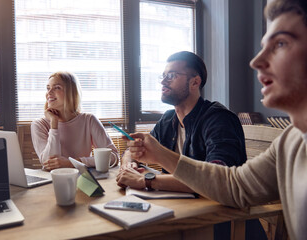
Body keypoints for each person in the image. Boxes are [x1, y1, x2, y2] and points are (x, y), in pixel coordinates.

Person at [124, 0, 307, 239]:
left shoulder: (218, 119)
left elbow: (222, 175)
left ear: (195, 82)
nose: (255, 62)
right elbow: (234, 185)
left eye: (280, 43)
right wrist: (138, 160)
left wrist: (149, 177)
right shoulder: (291, 142)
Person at [117, 51, 266, 239]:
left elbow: (217, 178)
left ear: (195, 82)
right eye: (163, 76)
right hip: (181, 215)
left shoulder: (219, 119)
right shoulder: (167, 119)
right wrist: (129, 165)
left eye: (171, 76)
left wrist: (146, 180)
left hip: (222, 224)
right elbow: (134, 149)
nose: (163, 82)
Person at [31, 71, 119, 171]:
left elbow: (113, 157)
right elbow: (49, 163)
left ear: (71, 93)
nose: (49, 93)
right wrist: (54, 124)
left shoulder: (89, 120)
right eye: (48, 88)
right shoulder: (39, 124)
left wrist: (72, 163)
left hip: (84, 180)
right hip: (52, 181)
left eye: (57, 88)